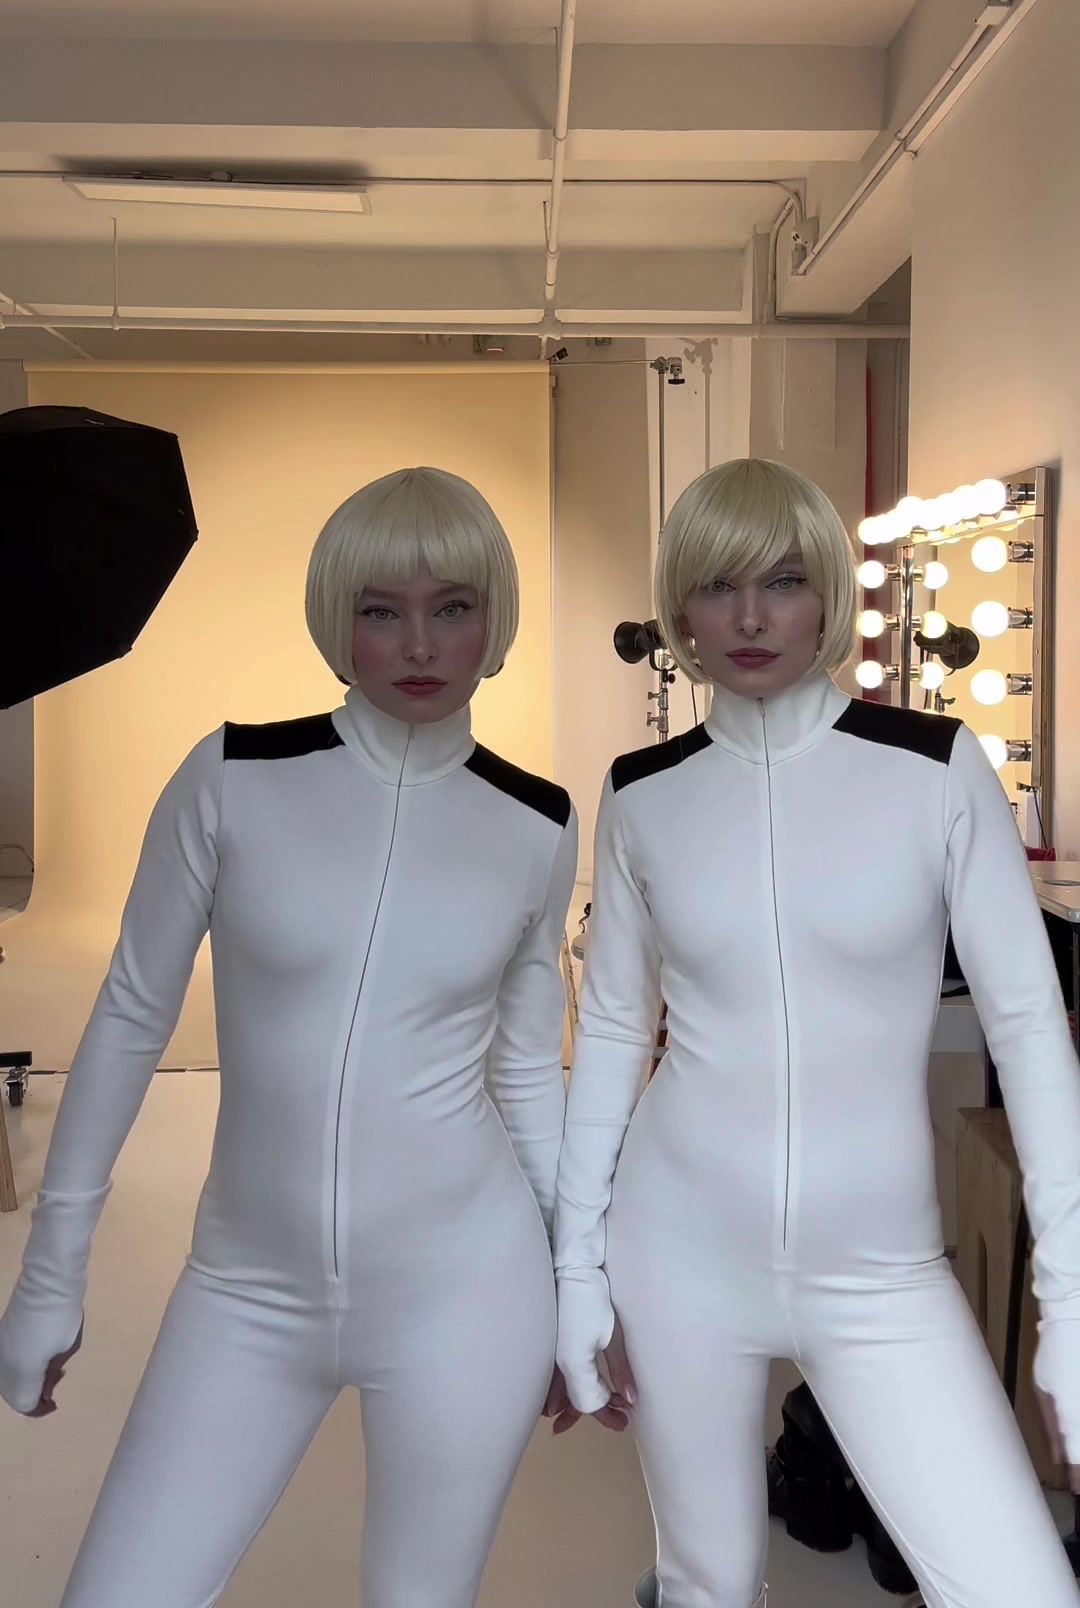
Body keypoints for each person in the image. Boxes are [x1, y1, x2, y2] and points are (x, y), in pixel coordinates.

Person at [0, 466, 578, 1608]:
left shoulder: (535, 822)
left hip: (468, 1291)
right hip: (244, 1288)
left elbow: (524, 1069)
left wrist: (581, 1286)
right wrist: (50, 1272)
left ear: (494, 620)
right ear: (335, 619)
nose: (420, 643)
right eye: (381, 610)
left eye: (453, 608)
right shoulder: (233, 776)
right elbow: (130, 1015)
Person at [551, 456, 1080, 1608]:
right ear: (681, 606)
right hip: (677, 1251)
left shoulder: (934, 768)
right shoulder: (642, 792)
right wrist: (575, 1267)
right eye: (718, 585)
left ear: (830, 593)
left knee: (1021, 1591)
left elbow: (1032, 1029)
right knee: (707, 1586)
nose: (749, 618)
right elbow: (615, 1032)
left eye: (783, 582)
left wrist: (1072, 1304)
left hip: (881, 1269)